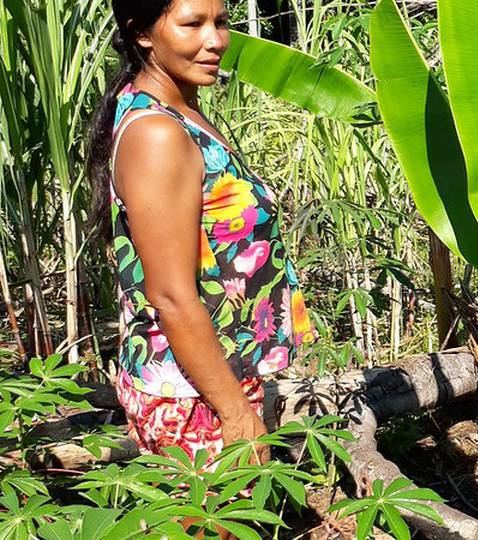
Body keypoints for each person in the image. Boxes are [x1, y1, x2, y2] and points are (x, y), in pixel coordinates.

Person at [84, 0, 314, 470]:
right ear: (142, 34)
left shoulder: (178, 110)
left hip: (211, 372)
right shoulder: (158, 132)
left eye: (221, 22)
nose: (216, 41)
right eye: (192, 24)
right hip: (192, 392)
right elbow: (169, 294)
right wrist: (235, 413)